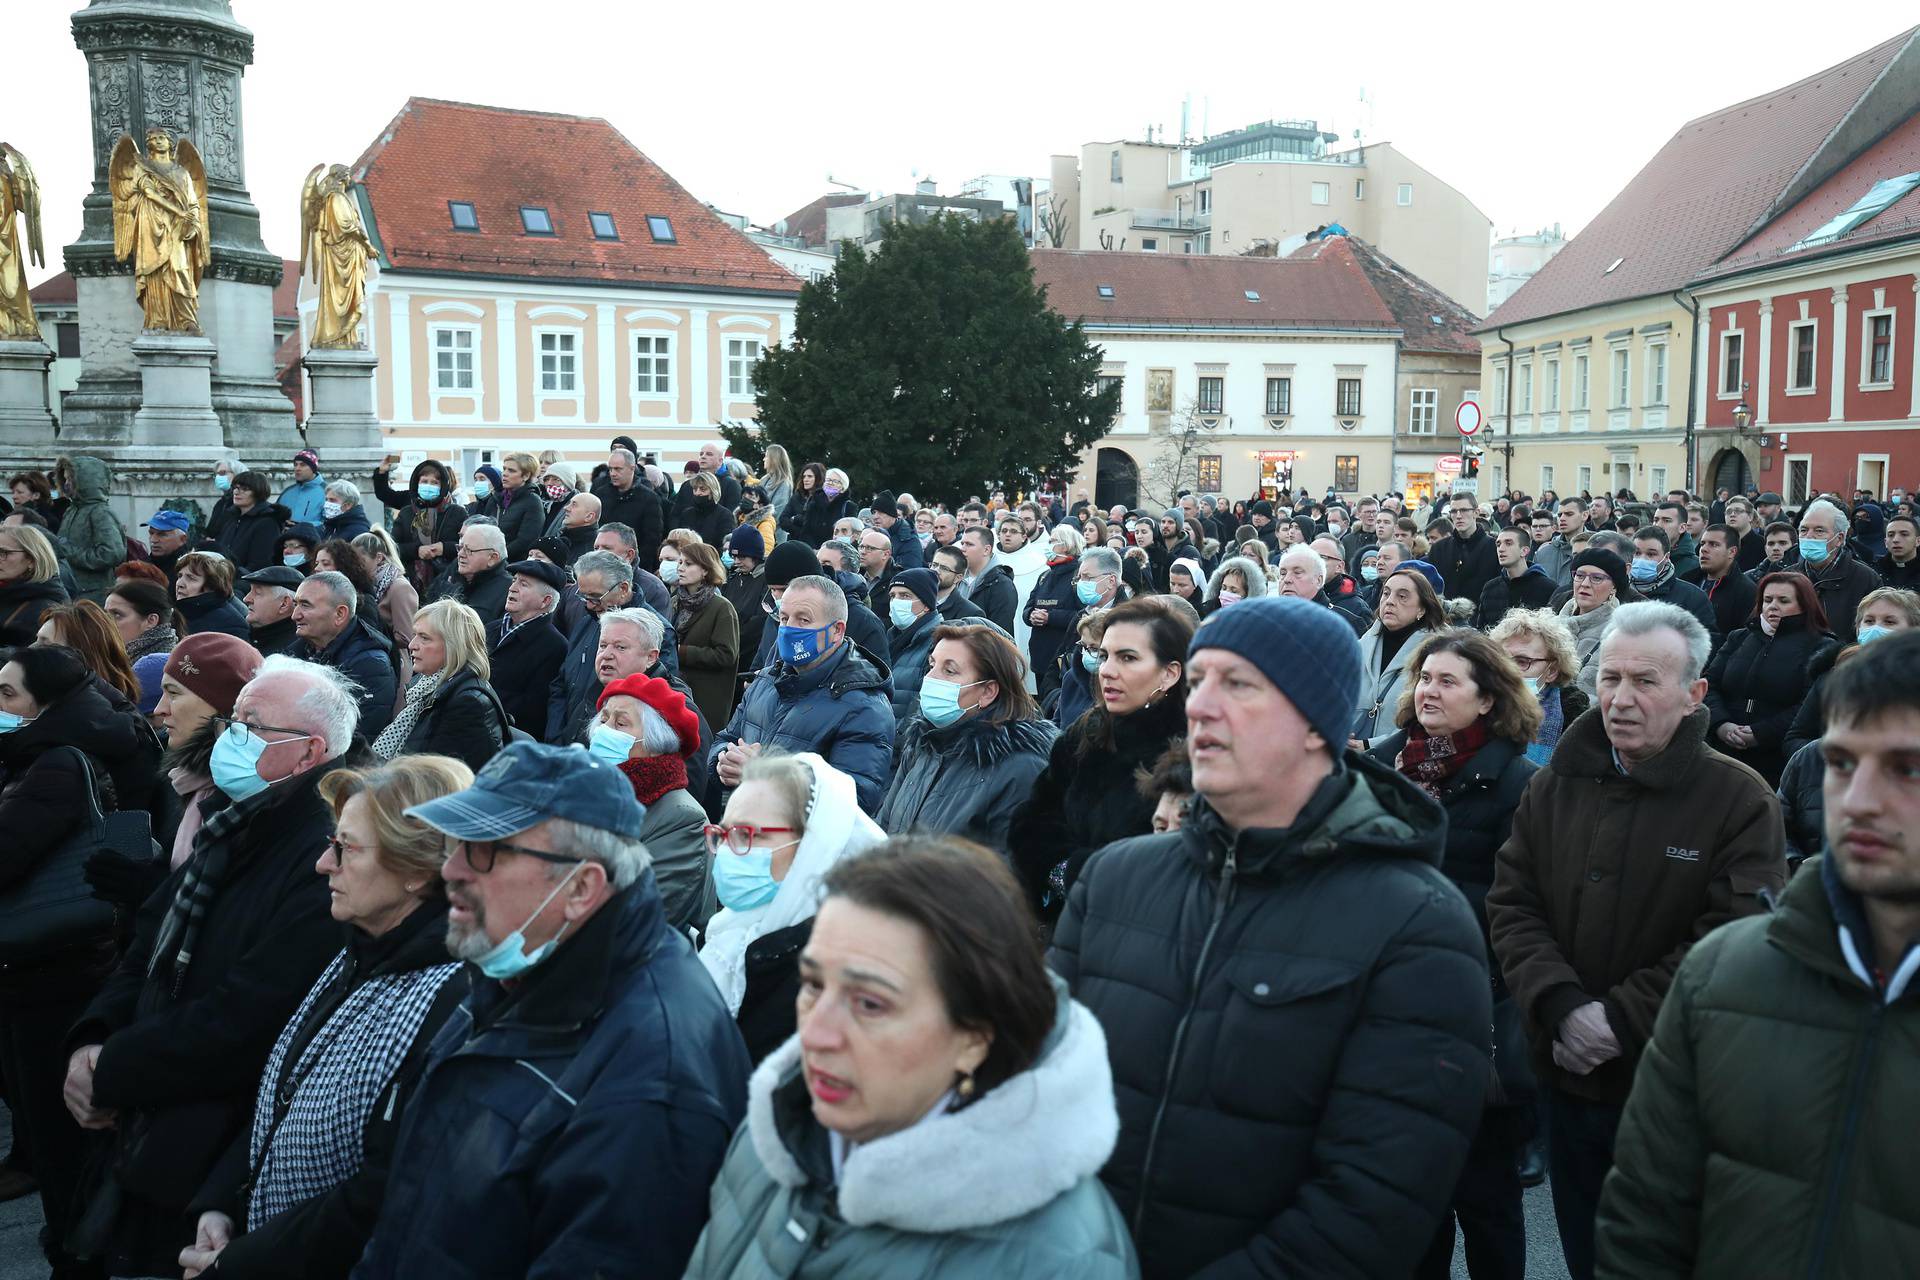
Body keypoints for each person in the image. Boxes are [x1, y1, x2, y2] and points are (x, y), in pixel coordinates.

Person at [1052, 594, 1490, 1276]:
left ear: (1316, 722)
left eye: (1239, 685)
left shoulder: (1416, 924)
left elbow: (1374, 1205)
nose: (1200, 706)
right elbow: (1037, 1095)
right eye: (1197, 682)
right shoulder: (1115, 879)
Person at [351, 741, 752, 1278]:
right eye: (454, 843)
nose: (450, 870)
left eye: (484, 850)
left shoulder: (653, 1085)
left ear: (582, 886)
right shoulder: (519, 961)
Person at [1594, 630, 1920, 1278]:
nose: (1856, 803)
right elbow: (1644, 1225)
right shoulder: (1723, 975)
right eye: (1841, 763)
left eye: (1907, 769)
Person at [1486, 602, 1787, 1280]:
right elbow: (1512, 902)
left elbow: (1734, 938)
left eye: (1645, 682)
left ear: (1693, 695)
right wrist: (1561, 1004)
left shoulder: (1740, 801)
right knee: (1585, 1256)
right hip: (1563, 1073)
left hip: (1669, 1091)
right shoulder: (1557, 782)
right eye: (1613, 678)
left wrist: (1619, 1019)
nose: (1621, 698)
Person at [687, 834, 1133, 1278]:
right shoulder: (774, 1131)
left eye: (871, 1004)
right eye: (813, 985)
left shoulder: (1063, 1261)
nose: (815, 1034)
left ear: (975, 1037)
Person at [63, 657, 363, 1276]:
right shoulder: (233, 822)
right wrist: (93, 1037)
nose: (230, 735)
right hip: (151, 1122)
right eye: (233, 719)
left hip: (205, 1144)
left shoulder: (321, 854)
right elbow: (148, 944)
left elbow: (247, 1014)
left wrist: (113, 1069)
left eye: (252, 724)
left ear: (309, 753)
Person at [177, 755, 472, 1280]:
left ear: (417, 871)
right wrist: (221, 1201)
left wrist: (241, 1264)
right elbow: (285, 1090)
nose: (323, 864)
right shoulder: (357, 950)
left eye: (346, 848)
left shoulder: (452, 996)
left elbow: (381, 1191)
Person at [1370, 629, 1542, 1279]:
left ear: (1489, 701)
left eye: (1448, 681)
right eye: (1424, 678)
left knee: (1486, 1200)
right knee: (1413, 1201)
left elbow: (1520, 903)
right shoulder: (1384, 765)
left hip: (1476, 1010)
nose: (1429, 691)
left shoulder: (1521, 785)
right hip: (1386, 1011)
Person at [0, 645, 161, 1276]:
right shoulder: (37, 754)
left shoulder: (57, 764)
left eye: (9, 695)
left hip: (55, 970)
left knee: (59, 1134)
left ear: (46, 704)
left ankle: (76, 1253)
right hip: (46, 967)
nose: (0, 707)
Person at [1009, 595, 1192, 923]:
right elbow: (1032, 819)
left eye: (1128, 658)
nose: (1107, 671)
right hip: (1066, 929)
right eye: (1104, 655)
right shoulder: (1088, 732)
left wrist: (1087, 878)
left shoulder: (1193, 753)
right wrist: (1062, 873)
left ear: (1169, 673)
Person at [696, 751, 886, 1062]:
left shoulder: (827, 990)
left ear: (812, 847)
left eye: (746, 834)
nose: (727, 850)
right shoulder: (727, 931)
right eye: (725, 832)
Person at [712, 574, 893, 815]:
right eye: (784, 618)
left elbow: (854, 800)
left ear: (837, 631)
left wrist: (764, 773)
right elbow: (725, 738)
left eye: (804, 620)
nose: (788, 629)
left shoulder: (865, 706)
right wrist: (724, 760)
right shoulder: (766, 680)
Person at [878, 623, 1057, 852]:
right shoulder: (924, 744)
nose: (930, 678)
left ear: (987, 692)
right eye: (931, 666)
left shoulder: (1022, 769)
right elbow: (884, 827)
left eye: (949, 671)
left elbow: (1006, 873)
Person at [587, 672, 714, 933]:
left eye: (621, 724)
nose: (604, 730)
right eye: (603, 719)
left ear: (655, 743)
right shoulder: (587, 793)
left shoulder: (682, 818)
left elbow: (641, 917)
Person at [152, 633, 263, 871]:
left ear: (222, 706)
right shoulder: (185, 777)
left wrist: (151, 886)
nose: (159, 709)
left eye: (173, 693)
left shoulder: (237, 795)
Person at [375, 598, 507, 770]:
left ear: (454, 646)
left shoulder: (467, 703)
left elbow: (438, 781)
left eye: (424, 638)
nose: (412, 644)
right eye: (415, 635)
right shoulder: (424, 686)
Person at [288, 572, 399, 739]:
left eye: (306, 605)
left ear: (340, 614)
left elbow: (357, 739)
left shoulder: (370, 664)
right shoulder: (296, 652)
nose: (295, 615)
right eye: (296, 604)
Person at [1352, 564, 1447, 749]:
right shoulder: (1362, 645)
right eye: (1386, 593)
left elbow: (1429, 721)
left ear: (1422, 609)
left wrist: (1371, 746)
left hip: (1402, 761)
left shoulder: (1437, 654)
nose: (1389, 601)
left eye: (1402, 596)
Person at [1490, 608, 1589, 766]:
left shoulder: (1575, 727)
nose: (1507, 670)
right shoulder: (1474, 708)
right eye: (1500, 660)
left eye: (1522, 662)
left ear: (1552, 671)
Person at [487, 558, 568, 735]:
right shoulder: (492, 628)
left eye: (523, 584)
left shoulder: (554, 646)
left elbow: (534, 709)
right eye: (514, 580)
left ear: (545, 601)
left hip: (507, 739)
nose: (512, 588)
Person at [667, 540, 741, 728]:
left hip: (705, 701)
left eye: (688, 564)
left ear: (706, 570)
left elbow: (726, 655)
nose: (681, 568)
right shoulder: (675, 601)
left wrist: (681, 652)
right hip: (674, 693)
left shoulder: (722, 607)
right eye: (680, 562)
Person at [375, 459, 466, 592]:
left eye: (435, 483)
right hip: (410, 583)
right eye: (424, 481)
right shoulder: (407, 513)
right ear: (417, 483)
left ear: (443, 486)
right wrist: (417, 550)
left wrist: (444, 548)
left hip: (449, 582)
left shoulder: (457, 512)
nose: (429, 486)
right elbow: (393, 547)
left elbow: (468, 545)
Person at [1796, 499, 1879, 643]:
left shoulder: (1866, 579)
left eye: (1819, 531)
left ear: (1839, 538)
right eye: (1804, 530)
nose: (1809, 536)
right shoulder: (1788, 577)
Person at [50, 456, 127, 604]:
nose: (66, 484)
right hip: (70, 590)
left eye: (70, 479)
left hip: (93, 595)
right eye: (64, 479)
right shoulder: (71, 510)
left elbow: (112, 553)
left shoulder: (100, 512)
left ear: (84, 481)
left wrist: (68, 552)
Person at [1561, 548, 1634, 696]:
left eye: (1597, 578)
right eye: (1580, 575)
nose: (1585, 584)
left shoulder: (1618, 634)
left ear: (1614, 587)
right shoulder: (1550, 625)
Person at [1628, 527, 1716, 637]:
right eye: (1637, 553)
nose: (1642, 559)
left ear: (1666, 557)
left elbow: (1706, 641)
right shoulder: (1617, 591)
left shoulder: (1692, 597)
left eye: (1651, 554)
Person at [424, 521, 511, 620]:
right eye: (460, 548)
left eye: (469, 550)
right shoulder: (455, 578)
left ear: (492, 558)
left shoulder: (509, 591)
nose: (460, 554)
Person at [0, 522, 67, 647]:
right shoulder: (7, 592)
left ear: (32, 559)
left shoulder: (46, 608)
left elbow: (33, 659)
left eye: (3, 553)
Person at [1477, 526, 1556, 628]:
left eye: (1508, 543)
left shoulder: (1548, 588)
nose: (1501, 549)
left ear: (1524, 551)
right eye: (1498, 544)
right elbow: (1482, 631)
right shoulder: (1490, 588)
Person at [719, 525, 769, 684]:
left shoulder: (766, 581)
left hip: (747, 657)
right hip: (727, 653)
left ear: (755, 556)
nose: (736, 562)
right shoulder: (733, 579)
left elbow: (759, 622)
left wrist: (728, 642)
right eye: (734, 557)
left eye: (742, 557)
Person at [215, 471, 289, 575]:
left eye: (244, 489)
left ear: (258, 492)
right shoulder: (231, 518)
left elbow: (260, 565)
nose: (236, 492)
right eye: (235, 488)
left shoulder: (267, 523)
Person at [1433, 493, 1500, 603]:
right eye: (1454, 511)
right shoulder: (1439, 549)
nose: (1458, 516)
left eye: (1464, 510)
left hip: (1481, 615)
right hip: (1445, 615)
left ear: (1476, 513)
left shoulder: (1494, 547)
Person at [1695, 522, 1757, 637]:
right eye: (1702, 543)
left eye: (1713, 545)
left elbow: (1743, 638)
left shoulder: (1746, 591)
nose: (1703, 549)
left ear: (1732, 552)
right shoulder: (1688, 580)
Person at [104, 579, 182, 666]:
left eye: (117, 615)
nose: (105, 621)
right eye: (105, 614)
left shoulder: (163, 666)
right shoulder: (108, 656)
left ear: (151, 621)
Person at [953, 527, 1015, 635]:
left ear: (986, 550)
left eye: (969, 544)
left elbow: (999, 631)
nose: (962, 548)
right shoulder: (957, 576)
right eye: (962, 543)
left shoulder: (1001, 584)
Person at [777, 462, 846, 548]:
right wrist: (800, 531)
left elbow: (817, 524)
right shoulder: (797, 497)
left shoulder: (824, 498)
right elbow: (783, 520)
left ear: (818, 478)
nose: (805, 479)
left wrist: (795, 519)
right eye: (804, 476)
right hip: (794, 542)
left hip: (816, 545)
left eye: (810, 476)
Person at [239, 565, 301, 655]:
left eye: (258, 593)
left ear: (284, 604)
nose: (246, 599)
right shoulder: (245, 635)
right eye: (250, 591)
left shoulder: (292, 653)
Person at [277, 450, 327, 527]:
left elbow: (330, 523)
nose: (297, 468)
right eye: (295, 465)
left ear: (313, 468)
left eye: (302, 465)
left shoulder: (327, 492)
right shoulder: (287, 492)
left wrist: (300, 526)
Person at [320, 478, 371, 542]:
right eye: (326, 499)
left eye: (332, 500)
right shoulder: (331, 525)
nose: (327, 504)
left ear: (348, 505)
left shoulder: (359, 531)